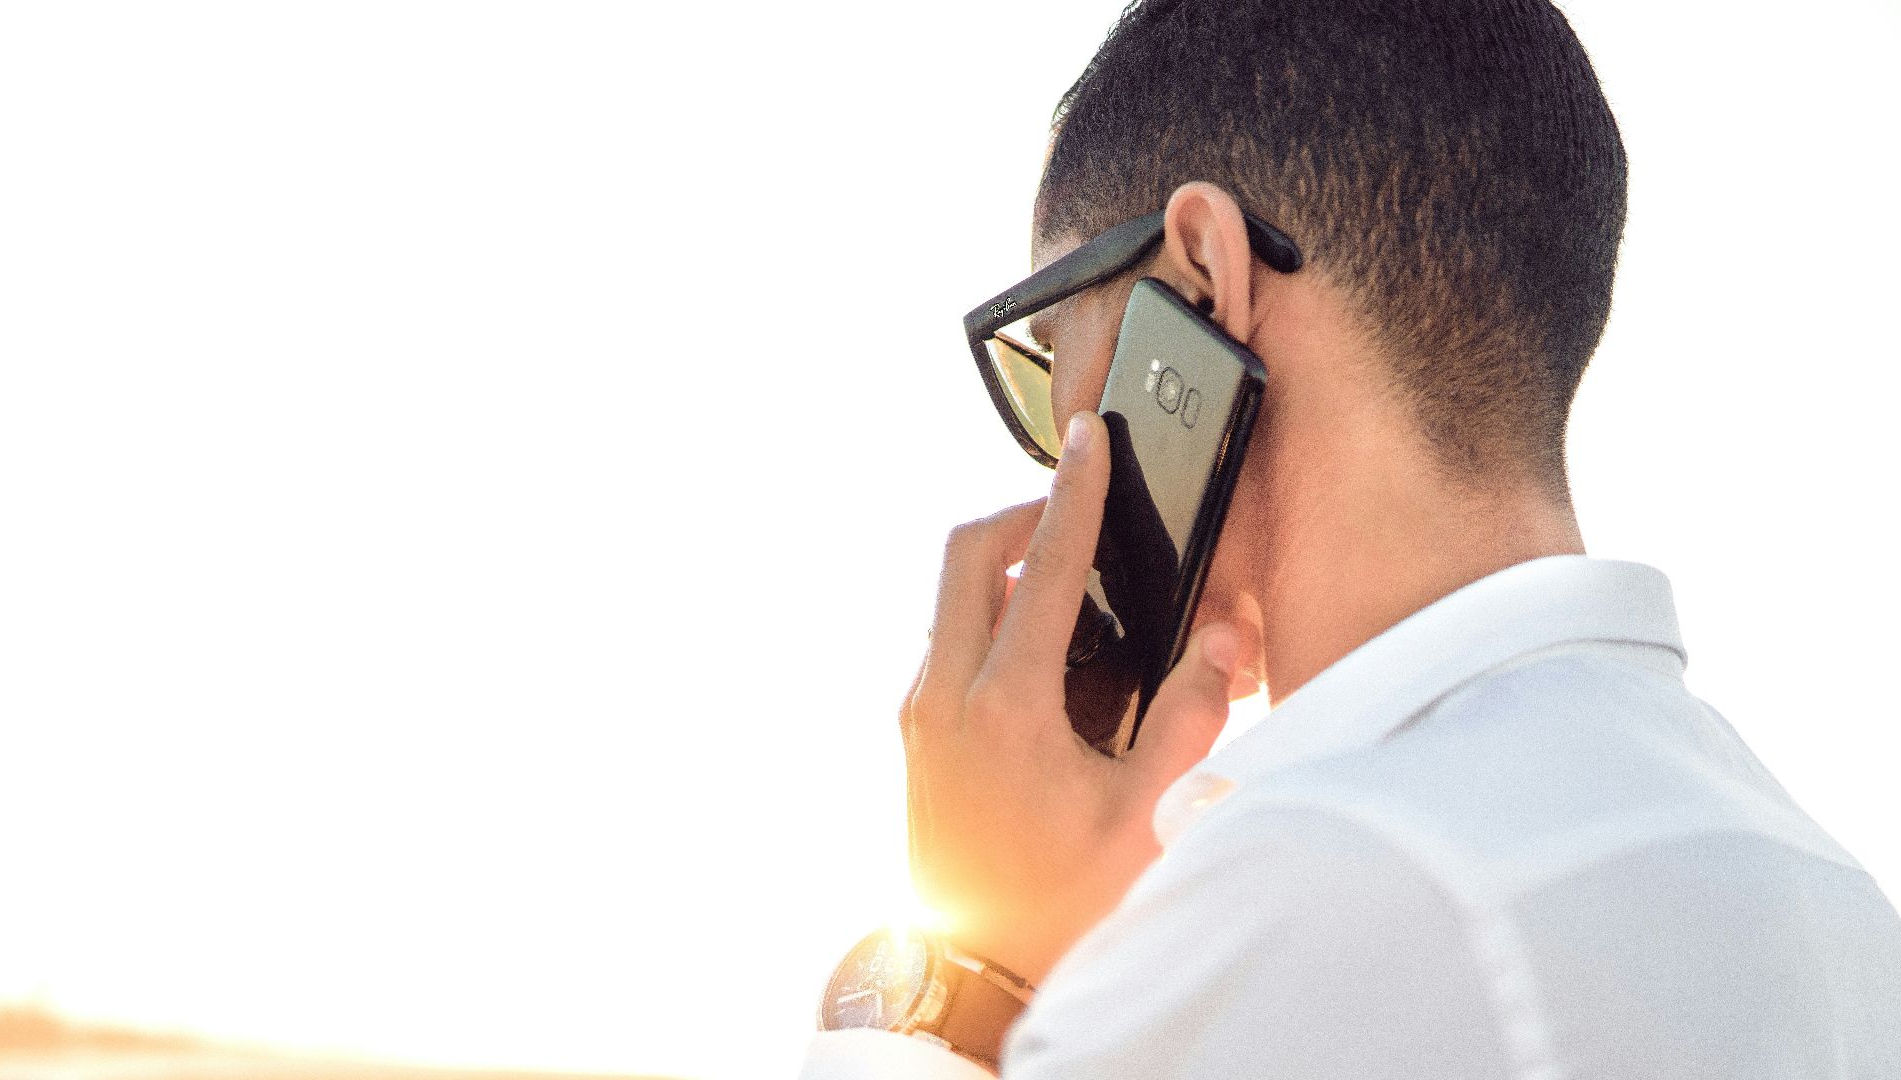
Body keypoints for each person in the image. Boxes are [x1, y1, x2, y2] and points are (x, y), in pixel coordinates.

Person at [802, 0, 1901, 1076]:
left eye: (1056, 360)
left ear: (1202, 283)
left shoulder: (1317, 900)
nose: (1056, 452)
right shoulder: (1837, 901)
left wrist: (974, 978)